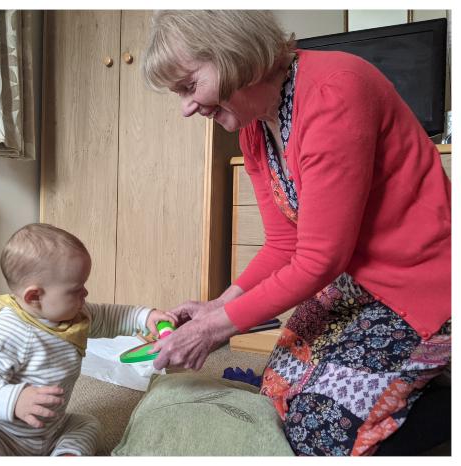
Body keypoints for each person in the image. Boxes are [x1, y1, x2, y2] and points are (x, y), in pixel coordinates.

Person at [142, 10, 450, 456]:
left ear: (232, 54)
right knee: (279, 392)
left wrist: (214, 331)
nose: (187, 106)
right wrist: (218, 307)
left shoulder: (334, 90)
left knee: (319, 429)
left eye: (189, 86)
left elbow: (320, 259)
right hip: (359, 284)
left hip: (428, 284)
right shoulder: (254, 129)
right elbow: (285, 244)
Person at [0, 223, 172, 456]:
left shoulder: (74, 317)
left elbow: (109, 316)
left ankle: (65, 455)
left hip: (48, 432)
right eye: (76, 289)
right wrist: (15, 399)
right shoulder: (4, 333)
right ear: (34, 296)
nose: (85, 294)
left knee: (87, 425)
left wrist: (145, 316)